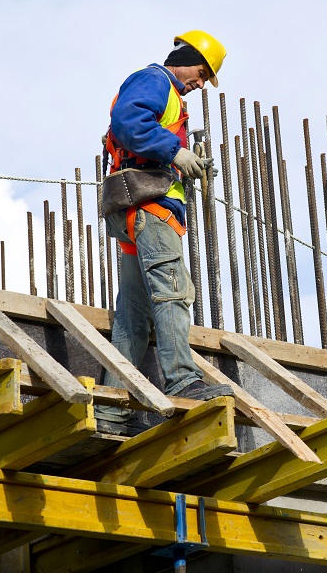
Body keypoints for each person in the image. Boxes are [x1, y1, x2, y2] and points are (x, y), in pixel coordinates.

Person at [97, 30, 232, 427]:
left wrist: (181, 158)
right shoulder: (156, 80)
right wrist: (176, 152)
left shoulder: (169, 97)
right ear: (187, 58)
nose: (201, 83)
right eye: (203, 73)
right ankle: (182, 379)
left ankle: (109, 410)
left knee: (133, 318)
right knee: (172, 293)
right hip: (151, 209)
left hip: (136, 212)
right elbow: (128, 121)